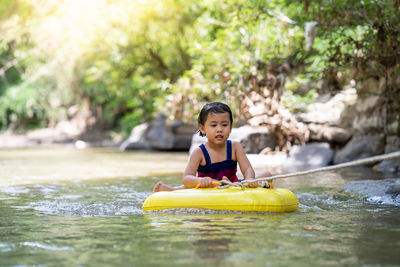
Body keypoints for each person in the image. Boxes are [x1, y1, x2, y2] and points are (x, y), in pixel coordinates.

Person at [152, 102, 271, 193]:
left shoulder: (235, 147)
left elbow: (247, 169)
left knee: (267, 174)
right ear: (203, 128)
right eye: (213, 125)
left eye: (224, 125)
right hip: (207, 187)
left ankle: (237, 184)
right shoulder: (199, 153)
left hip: (231, 184)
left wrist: (249, 179)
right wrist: (200, 181)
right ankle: (173, 190)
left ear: (230, 127)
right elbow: (187, 178)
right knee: (188, 186)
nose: (219, 129)